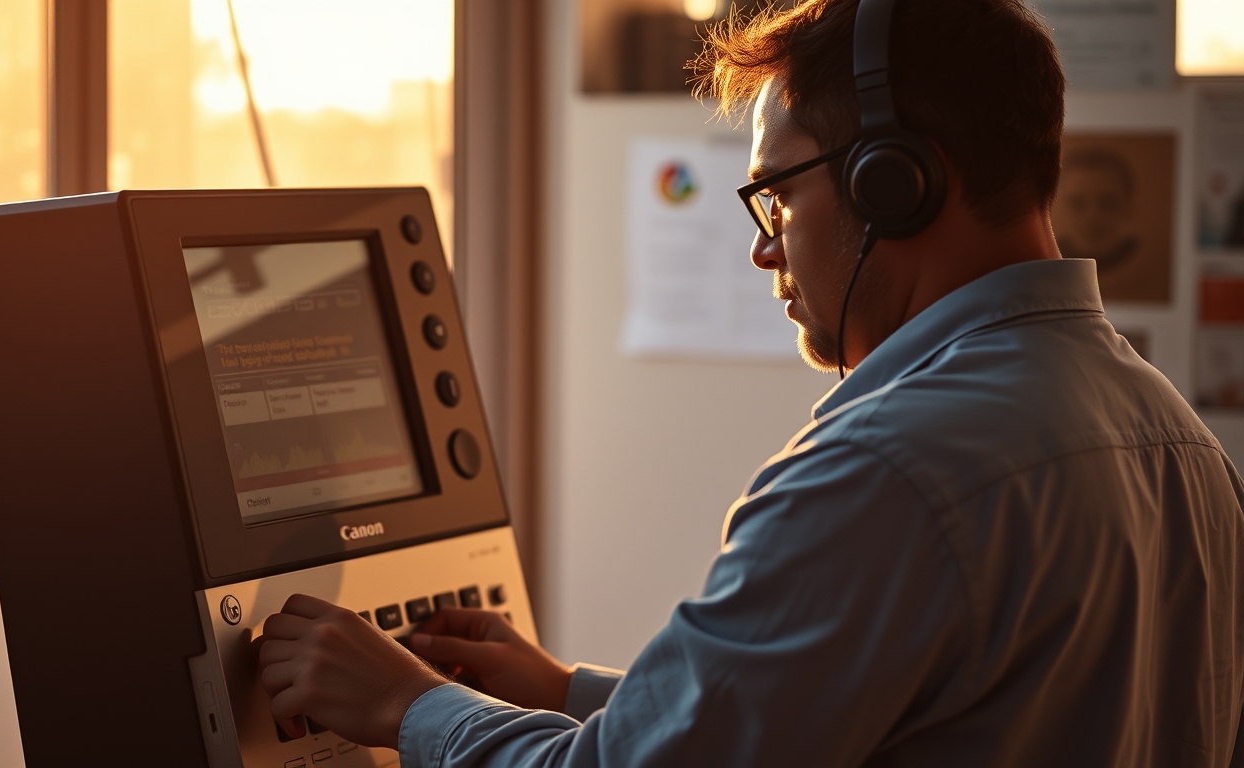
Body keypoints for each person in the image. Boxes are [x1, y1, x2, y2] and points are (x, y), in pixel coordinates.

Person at [255, 1, 1244, 765]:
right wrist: (565, 694)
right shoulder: (1180, 440)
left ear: (894, 183)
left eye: (777, 196)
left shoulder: (888, 471)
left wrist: (409, 704)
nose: (764, 250)